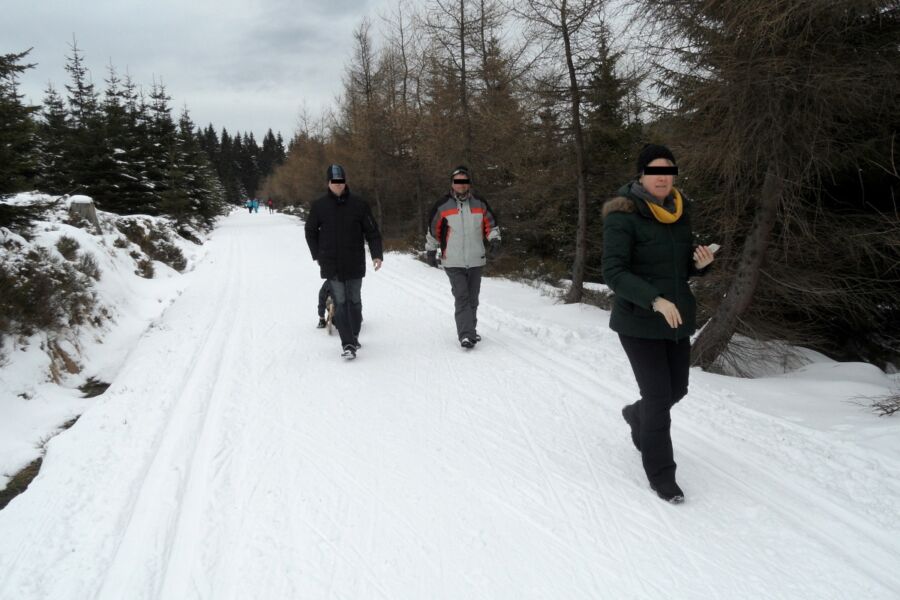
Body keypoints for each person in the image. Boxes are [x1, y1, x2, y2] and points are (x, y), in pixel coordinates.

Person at [601, 144, 715, 504]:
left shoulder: (680, 212)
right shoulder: (623, 216)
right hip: (638, 320)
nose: (662, 177)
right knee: (658, 397)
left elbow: (678, 268)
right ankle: (662, 475)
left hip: (676, 319)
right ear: (641, 175)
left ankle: (636, 416)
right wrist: (654, 299)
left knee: (675, 391)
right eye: (654, 171)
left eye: (668, 170)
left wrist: (701, 264)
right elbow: (613, 272)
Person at [305, 164, 383, 359]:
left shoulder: (359, 204)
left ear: (345, 182)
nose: (338, 186)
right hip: (331, 263)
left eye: (341, 182)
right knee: (340, 302)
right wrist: (317, 254)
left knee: (354, 301)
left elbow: (372, 232)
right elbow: (310, 231)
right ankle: (347, 343)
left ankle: (354, 336)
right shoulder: (319, 206)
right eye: (334, 182)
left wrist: (377, 254)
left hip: (355, 261)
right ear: (328, 183)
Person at [425, 165, 501, 349]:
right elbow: (433, 230)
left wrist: (495, 240)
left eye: (464, 181)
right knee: (462, 297)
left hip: (476, 259)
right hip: (452, 260)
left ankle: (471, 330)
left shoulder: (479, 203)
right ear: (452, 184)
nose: (460, 185)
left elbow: (490, 224)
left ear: (468, 183)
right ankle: (466, 335)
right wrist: (430, 250)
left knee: (473, 299)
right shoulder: (443, 205)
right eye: (457, 181)